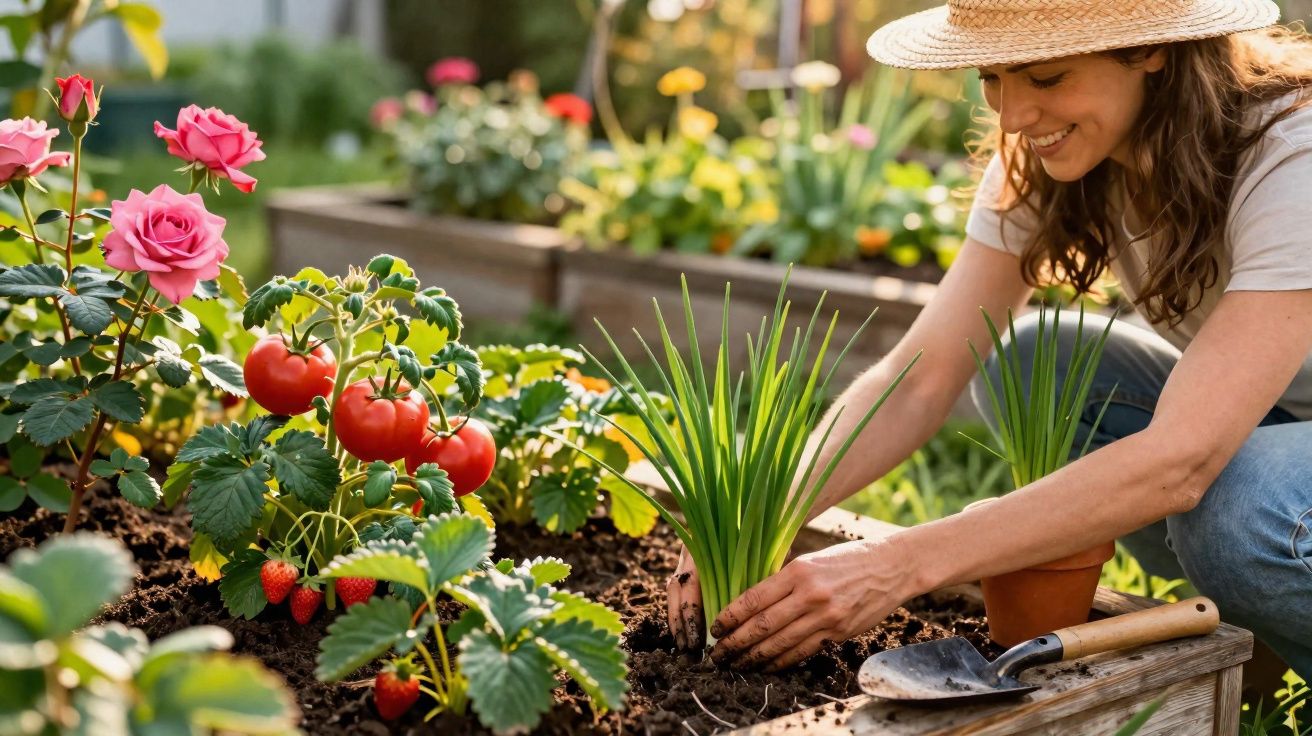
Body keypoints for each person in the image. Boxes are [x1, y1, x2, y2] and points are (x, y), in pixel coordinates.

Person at [666, 0, 1312, 683]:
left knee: (1236, 502)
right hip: (1286, 431)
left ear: (1152, 50)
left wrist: (895, 566)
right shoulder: (1058, 151)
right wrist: (760, 511)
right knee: (1039, 362)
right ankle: (1262, 648)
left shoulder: (1291, 152)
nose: (1011, 115)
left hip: (1278, 470)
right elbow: (921, 375)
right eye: (993, 79)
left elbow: (1183, 461)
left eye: (1047, 76)